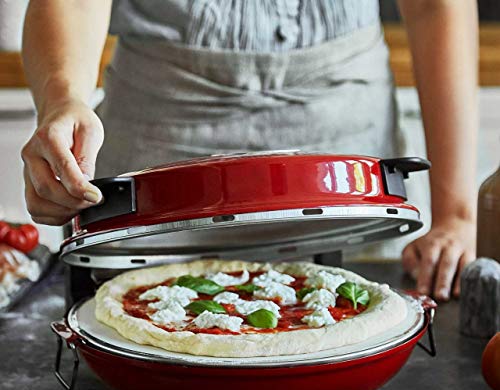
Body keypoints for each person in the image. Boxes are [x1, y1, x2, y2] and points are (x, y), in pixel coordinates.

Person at [20, 0, 478, 301]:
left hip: (347, 170)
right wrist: (63, 98)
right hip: (160, 158)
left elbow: (436, 6)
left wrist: (456, 213)